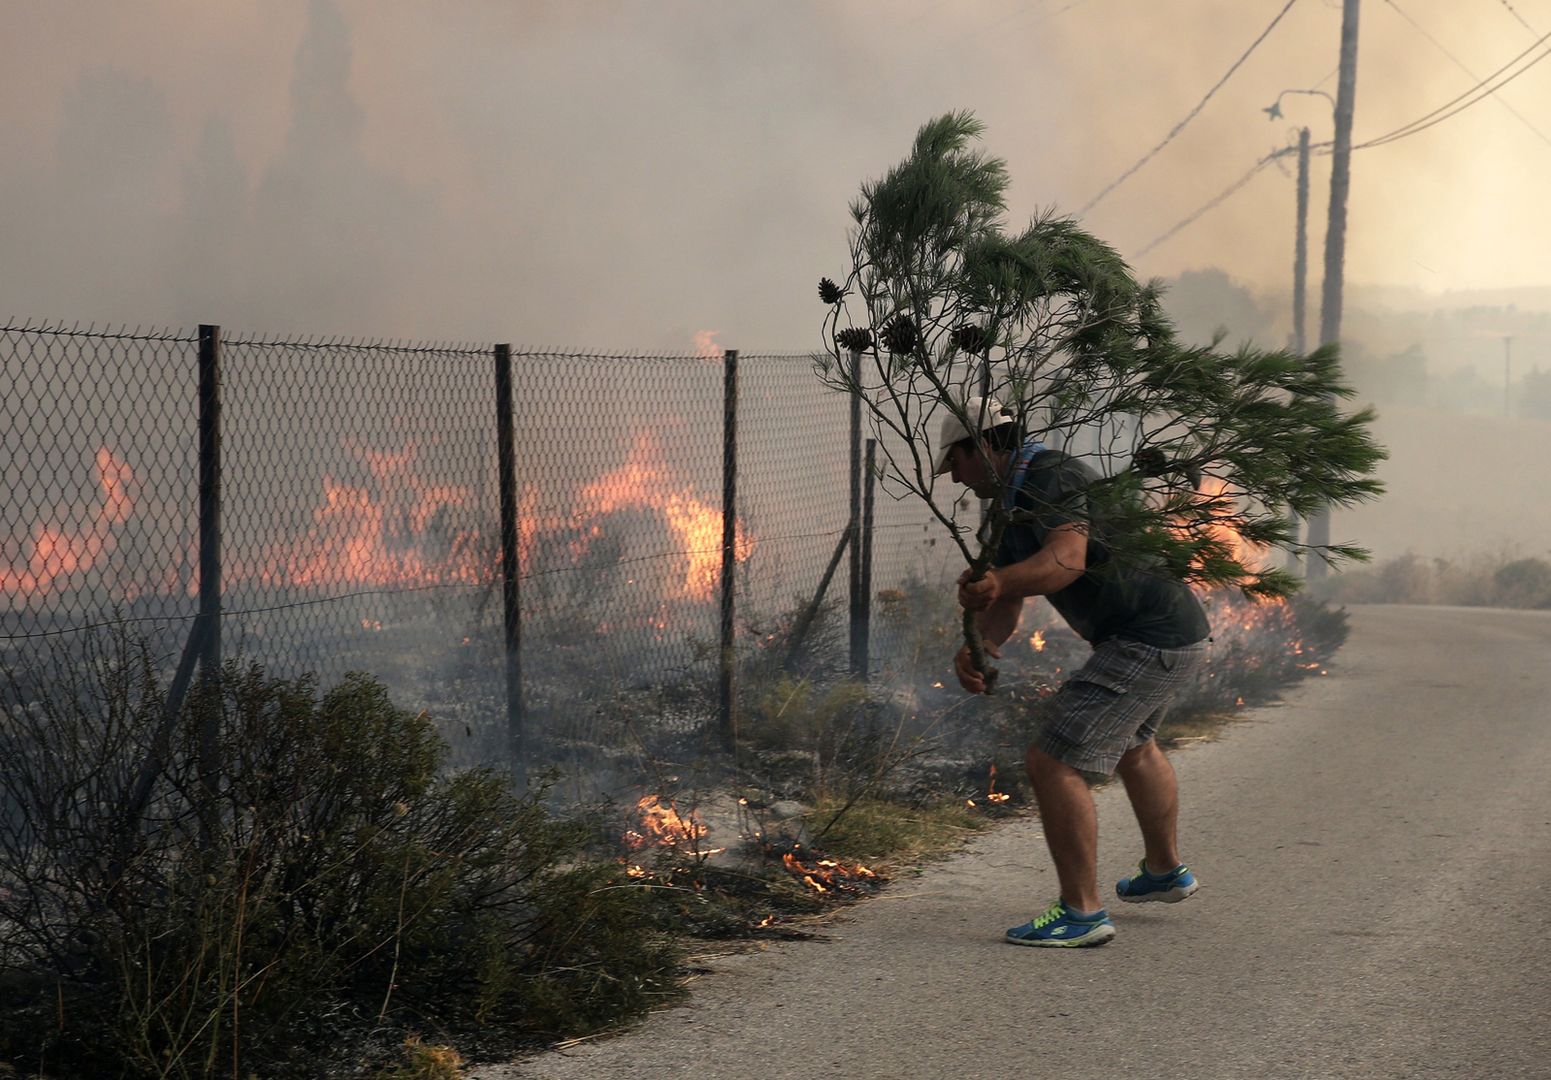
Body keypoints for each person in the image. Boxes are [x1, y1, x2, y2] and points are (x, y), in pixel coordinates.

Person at [939, 397, 1211, 948]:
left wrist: (996, 581)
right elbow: (1012, 589)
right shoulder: (1009, 505)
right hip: (1166, 633)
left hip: (1146, 637)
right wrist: (985, 639)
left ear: (983, 445)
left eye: (957, 464)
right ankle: (1164, 873)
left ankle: (1081, 914)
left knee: (1052, 759)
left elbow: (1066, 560)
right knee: (1136, 746)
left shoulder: (1051, 476)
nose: (957, 481)